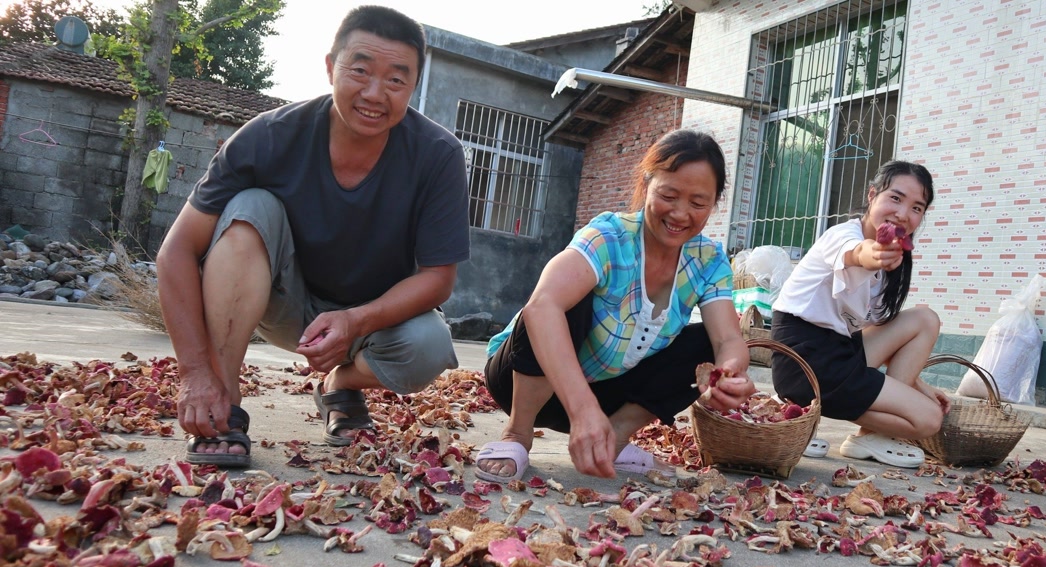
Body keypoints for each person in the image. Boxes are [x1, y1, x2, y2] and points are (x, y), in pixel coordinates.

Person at [155, 6, 469, 467]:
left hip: (371, 322)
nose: (374, 93)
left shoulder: (438, 155)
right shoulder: (268, 137)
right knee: (250, 208)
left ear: (413, 86)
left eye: (396, 80)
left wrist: (356, 322)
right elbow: (176, 251)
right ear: (330, 67)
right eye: (359, 70)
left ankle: (339, 387)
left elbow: (438, 278)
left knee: (429, 346)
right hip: (283, 304)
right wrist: (194, 372)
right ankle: (224, 401)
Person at [478, 129, 756, 481]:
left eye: (698, 203)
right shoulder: (609, 236)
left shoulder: (708, 259)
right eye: (669, 195)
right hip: (521, 382)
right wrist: (582, 411)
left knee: (702, 343)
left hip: (603, 396)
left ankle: (615, 436)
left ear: (715, 204)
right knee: (564, 302)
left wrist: (728, 374)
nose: (680, 214)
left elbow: (727, 341)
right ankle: (518, 433)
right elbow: (542, 306)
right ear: (646, 185)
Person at [769, 160, 949, 468]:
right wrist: (874, 255)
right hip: (802, 356)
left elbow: (885, 338)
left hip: (841, 352)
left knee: (925, 319)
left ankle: (862, 433)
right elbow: (857, 253)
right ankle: (804, 408)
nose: (903, 214)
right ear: (872, 195)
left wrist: (921, 386)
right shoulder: (842, 236)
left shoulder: (896, 265)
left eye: (917, 208)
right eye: (895, 198)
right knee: (929, 420)